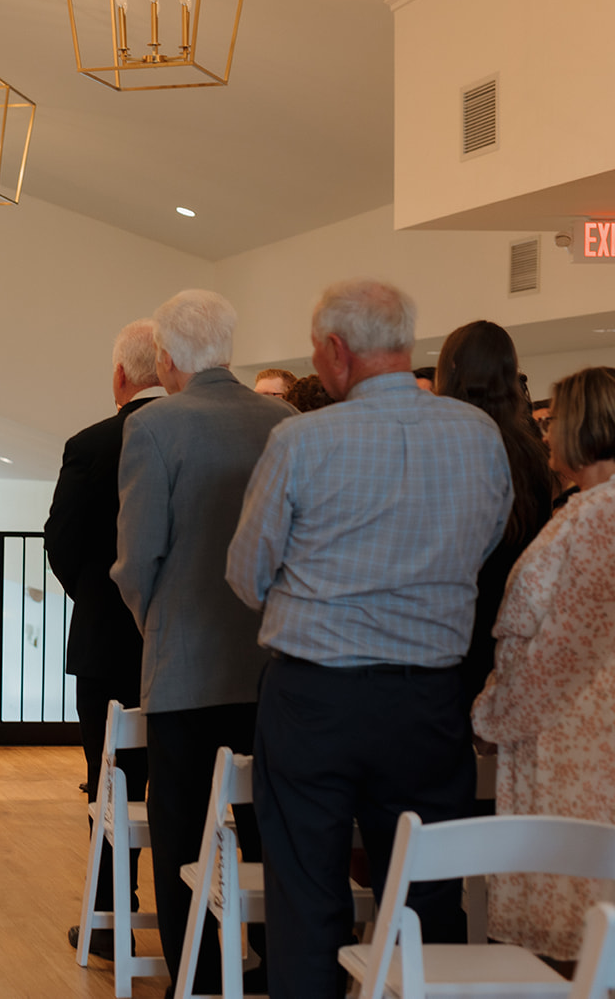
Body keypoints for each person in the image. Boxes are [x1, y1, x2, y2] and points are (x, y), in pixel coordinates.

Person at [227, 279, 512, 998]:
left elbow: (246, 573)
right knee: (424, 893)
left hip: (314, 693)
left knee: (306, 889)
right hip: (428, 697)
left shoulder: (300, 438)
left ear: (334, 350)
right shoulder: (477, 434)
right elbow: (485, 543)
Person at [111, 289, 291, 995]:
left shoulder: (155, 426)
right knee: (265, 828)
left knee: (185, 833)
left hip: (184, 667)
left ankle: (202, 974)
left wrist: (157, 626)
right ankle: (274, 968)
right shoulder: (286, 418)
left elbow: (137, 557)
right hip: (274, 661)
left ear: (165, 357)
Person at [472, 365, 615, 962]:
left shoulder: (586, 524)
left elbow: (547, 651)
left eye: (554, 420)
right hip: (594, 744)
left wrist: (489, 714)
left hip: (571, 754)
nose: (547, 433)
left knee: (574, 941)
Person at [44, 318, 160, 959]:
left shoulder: (91, 442)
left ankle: (116, 914)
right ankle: (192, 906)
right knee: (183, 777)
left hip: (108, 637)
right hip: (188, 641)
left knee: (108, 777)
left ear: (120, 376)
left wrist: (96, 596)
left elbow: (60, 539)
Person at [434, 320, 555, 708]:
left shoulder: (438, 441)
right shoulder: (530, 451)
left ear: (450, 369)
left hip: (442, 626)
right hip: (506, 625)